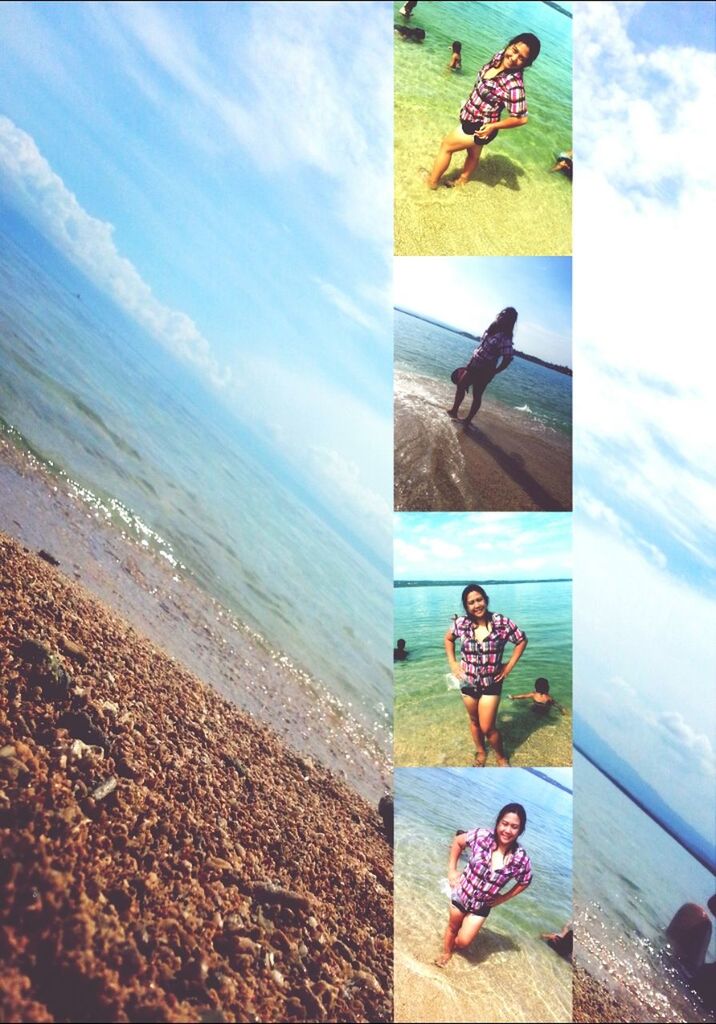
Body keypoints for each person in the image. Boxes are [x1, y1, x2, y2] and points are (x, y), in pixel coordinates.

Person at [427, 33, 541, 189]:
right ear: (509, 45)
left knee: (446, 146)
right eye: (514, 50)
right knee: (473, 154)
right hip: (475, 117)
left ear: (526, 64)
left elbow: (521, 118)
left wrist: (493, 126)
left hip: (480, 126)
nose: (514, 58)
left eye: (521, 58)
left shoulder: (514, 85)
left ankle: (431, 184)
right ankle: (462, 181)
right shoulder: (500, 57)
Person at [435, 803, 532, 967]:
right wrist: (452, 870)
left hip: (482, 905)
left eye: (514, 827)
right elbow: (458, 841)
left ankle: (454, 945)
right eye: (505, 824)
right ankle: (446, 953)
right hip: (462, 892)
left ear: (520, 830)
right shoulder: (482, 836)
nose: (508, 830)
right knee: (452, 927)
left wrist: (503, 898)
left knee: (464, 941)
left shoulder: (520, 859)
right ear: (498, 822)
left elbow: (525, 881)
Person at [445, 583, 527, 766]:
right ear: (466, 606)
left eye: (479, 600)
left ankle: (500, 757)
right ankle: (481, 752)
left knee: (488, 727)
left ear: (486, 600)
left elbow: (521, 640)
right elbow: (448, 639)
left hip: (492, 681)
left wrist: (508, 666)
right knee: (474, 721)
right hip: (467, 681)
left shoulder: (502, 623)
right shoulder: (461, 624)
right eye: (471, 602)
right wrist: (453, 663)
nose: (477, 605)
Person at [447, 307, 517, 427]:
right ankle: (454, 410)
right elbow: (481, 347)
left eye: (506, 316)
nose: (502, 316)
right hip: (474, 363)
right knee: (461, 385)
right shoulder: (493, 327)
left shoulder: (505, 338)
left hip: (485, 370)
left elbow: (508, 358)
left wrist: (495, 371)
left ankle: (468, 420)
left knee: (477, 395)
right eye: (502, 313)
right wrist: (469, 362)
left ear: (510, 321)